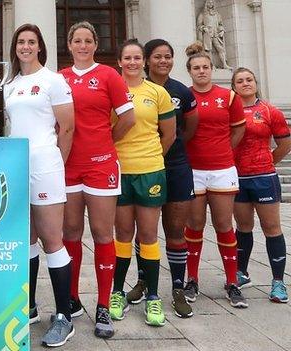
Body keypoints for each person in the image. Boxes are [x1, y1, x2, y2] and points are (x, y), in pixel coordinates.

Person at [59, 21, 134, 339]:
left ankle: (103, 305)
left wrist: (105, 143)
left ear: (96, 44)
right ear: (69, 44)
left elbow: (127, 118)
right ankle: (72, 299)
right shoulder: (59, 77)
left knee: (103, 234)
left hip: (102, 166)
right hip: (67, 166)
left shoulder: (109, 76)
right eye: (77, 40)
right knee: (71, 233)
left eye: (88, 41)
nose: (83, 45)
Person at [4, 23, 75, 347]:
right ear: (15, 47)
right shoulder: (9, 83)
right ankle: (28, 306)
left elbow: (68, 128)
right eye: (21, 42)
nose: (26, 47)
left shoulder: (53, 80)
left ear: (40, 47)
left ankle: (63, 316)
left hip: (45, 164)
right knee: (26, 239)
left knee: (51, 240)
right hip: (16, 165)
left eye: (32, 42)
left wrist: (54, 163)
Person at [126, 39, 199, 319]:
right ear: (146, 60)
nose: (163, 61)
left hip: (175, 166)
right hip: (142, 168)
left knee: (175, 231)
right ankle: (144, 281)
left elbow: (188, 129)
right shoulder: (132, 89)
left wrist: (161, 153)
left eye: (168, 56)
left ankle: (178, 288)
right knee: (143, 231)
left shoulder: (181, 91)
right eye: (157, 57)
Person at [108, 39, 176, 327]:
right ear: (120, 62)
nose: (133, 62)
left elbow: (169, 135)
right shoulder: (112, 89)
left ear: (144, 61)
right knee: (122, 234)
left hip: (150, 170)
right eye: (128, 58)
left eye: (138, 57)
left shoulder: (157, 93)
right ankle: (117, 292)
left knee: (148, 235)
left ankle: (153, 297)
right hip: (120, 170)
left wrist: (150, 159)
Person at [183, 42, 247, 308]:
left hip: (222, 169)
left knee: (223, 225)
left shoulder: (229, 97)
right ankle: (192, 279)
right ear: (189, 71)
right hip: (193, 170)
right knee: (194, 225)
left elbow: (238, 130)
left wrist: (223, 152)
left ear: (212, 69)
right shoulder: (184, 96)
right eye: (196, 68)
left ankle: (232, 282)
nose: (201, 71)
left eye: (205, 67)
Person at [231, 67, 290, 303]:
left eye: (249, 80)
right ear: (233, 86)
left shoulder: (269, 111)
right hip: (237, 177)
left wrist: (267, 161)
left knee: (271, 227)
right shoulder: (228, 111)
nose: (245, 83)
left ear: (256, 83)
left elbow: (285, 144)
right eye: (240, 81)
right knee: (243, 227)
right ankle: (241, 273)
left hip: (264, 177)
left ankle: (278, 282)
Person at [196, 0, 231, 69]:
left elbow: (220, 25)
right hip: (207, 34)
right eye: (209, 2)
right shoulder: (202, 14)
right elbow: (199, 25)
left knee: (221, 49)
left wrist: (222, 31)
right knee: (208, 50)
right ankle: (211, 65)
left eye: (212, 2)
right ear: (206, 4)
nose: (211, 4)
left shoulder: (217, 15)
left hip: (216, 34)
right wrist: (204, 28)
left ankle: (224, 64)